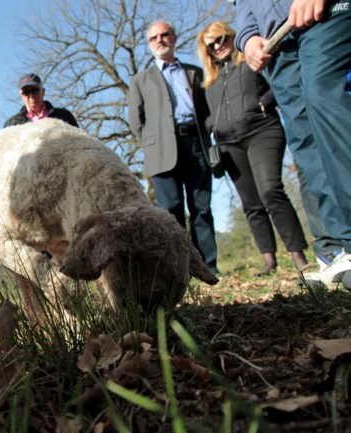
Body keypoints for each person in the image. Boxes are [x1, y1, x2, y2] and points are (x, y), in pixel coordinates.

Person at [235, 0, 351, 286]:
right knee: (306, 141)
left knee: (326, 100)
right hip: (277, 46)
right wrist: (247, 36)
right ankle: (338, 250)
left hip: (323, 15)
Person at [197, 21, 309, 276]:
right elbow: (204, 114)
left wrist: (263, 103)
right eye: (211, 45)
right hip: (229, 144)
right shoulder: (210, 82)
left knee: (271, 190)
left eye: (222, 39)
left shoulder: (249, 61)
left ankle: (298, 254)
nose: (218, 47)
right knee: (251, 203)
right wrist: (212, 123)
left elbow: (277, 84)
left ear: (231, 37)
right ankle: (269, 259)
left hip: (262, 132)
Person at [128, 21, 219, 274]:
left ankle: (208, 266)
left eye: (164, 34)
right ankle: (179, 269)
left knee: (201, 208)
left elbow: (206, 110)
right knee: (170, 214)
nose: (160, 40)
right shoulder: (140, 80)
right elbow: (136, 122)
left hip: (196, 144)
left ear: (174, 38)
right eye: (153, 37)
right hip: (162, 151)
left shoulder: (195, 73)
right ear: (149, 44)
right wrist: (156, 140)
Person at [4, 73, 79, 128]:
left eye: (35, 90)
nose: (31, 96)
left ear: (43, 91)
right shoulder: (12, 124)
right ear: (21, 95)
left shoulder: (63, 116)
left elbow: (80, 142)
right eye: (26, 92)